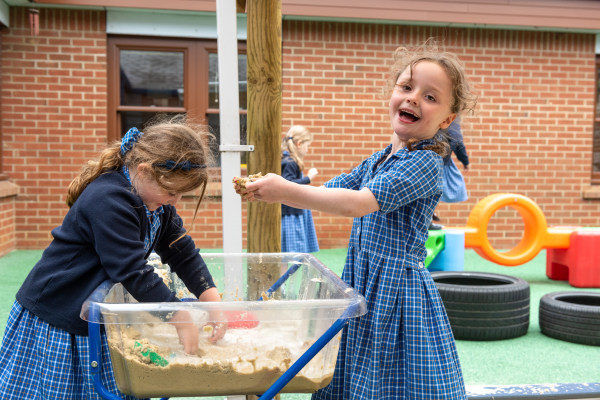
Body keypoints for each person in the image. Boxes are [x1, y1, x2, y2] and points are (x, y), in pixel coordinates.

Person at [235, 44, 476, 399]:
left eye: (429, 96)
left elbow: (359, 204)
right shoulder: (379, 160)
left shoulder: (425, 162)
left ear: (446, 119)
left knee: (394, 375)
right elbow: (332, 192)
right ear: (392, 93)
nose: (412, 99)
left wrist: (284, 189)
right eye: (406, 87)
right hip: (363, 280)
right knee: (356, 369)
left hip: (397, 292)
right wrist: (277, 190)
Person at [0, 117, 225, 400]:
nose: (175, 201)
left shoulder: (156, 202)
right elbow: (131, 269)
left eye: (181, 194)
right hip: (59, 315)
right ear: (143, 171)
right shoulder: (109, 199)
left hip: (96, 314)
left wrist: (212, 299)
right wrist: (179, 316)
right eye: (171, 192)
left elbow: (183, 251)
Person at [281, 125, 320, 253]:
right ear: (299, 144)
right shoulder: (290, 162)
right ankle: (285, 274)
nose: (308, 150)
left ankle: (285, 273)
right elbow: (289, 184)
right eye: (307, 146)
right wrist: (309, 178)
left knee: (290, 253)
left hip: (294, 210)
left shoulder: (288, 160)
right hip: (291, 213)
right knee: (293, 252)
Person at [430, 117, 470, 229]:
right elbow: (458, 143)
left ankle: (428, 216)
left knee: (432, 190)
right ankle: (428, 217)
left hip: (430, 159)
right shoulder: (452, 120)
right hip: (439, 161)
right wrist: (465, 162)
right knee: (435, 190)